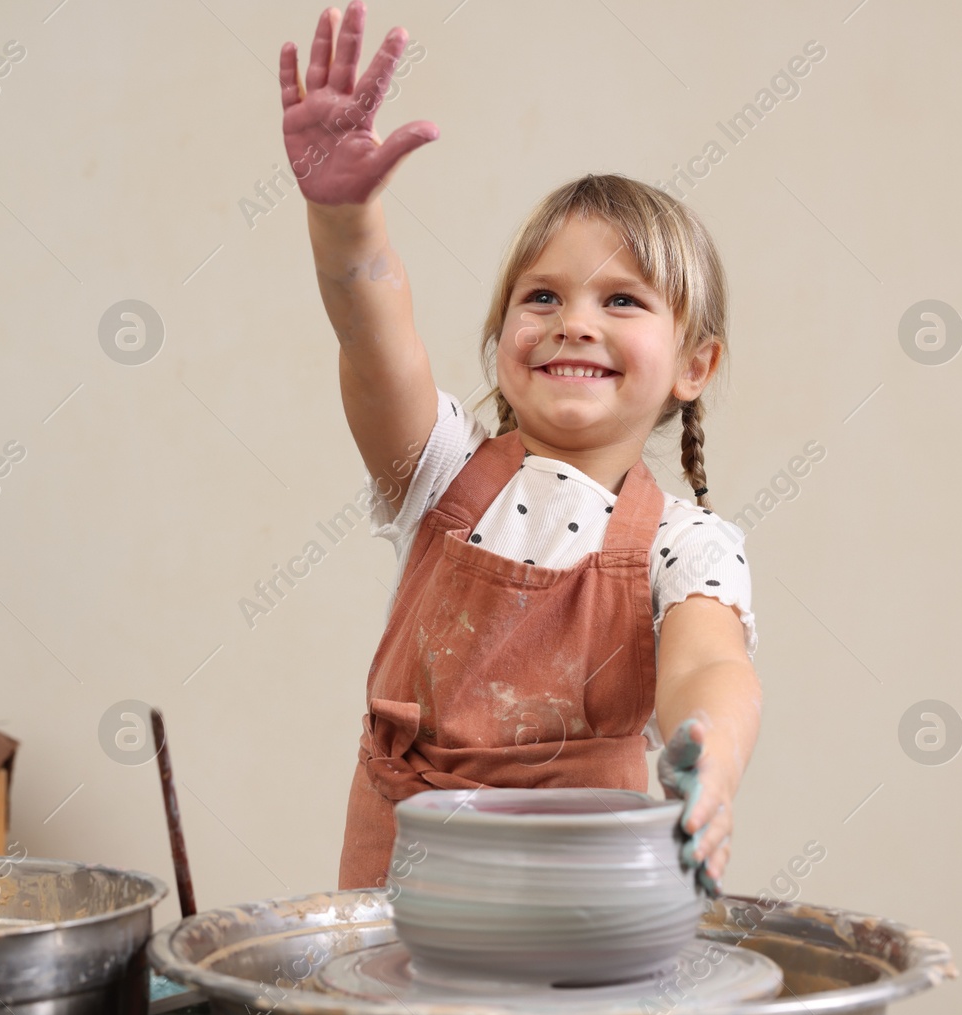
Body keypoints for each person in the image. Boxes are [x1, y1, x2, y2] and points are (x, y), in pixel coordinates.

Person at [280, 1, 762, 896]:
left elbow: (710, 664)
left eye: (623, 301)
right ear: (501, 331)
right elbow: (374, 334)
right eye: (541, 296)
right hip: (397, 937)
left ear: (696, 364)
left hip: (574, 937)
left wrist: (709, 756)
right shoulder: (442, 471)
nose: (574, 321)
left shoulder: (685, 547)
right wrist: (345, 221)